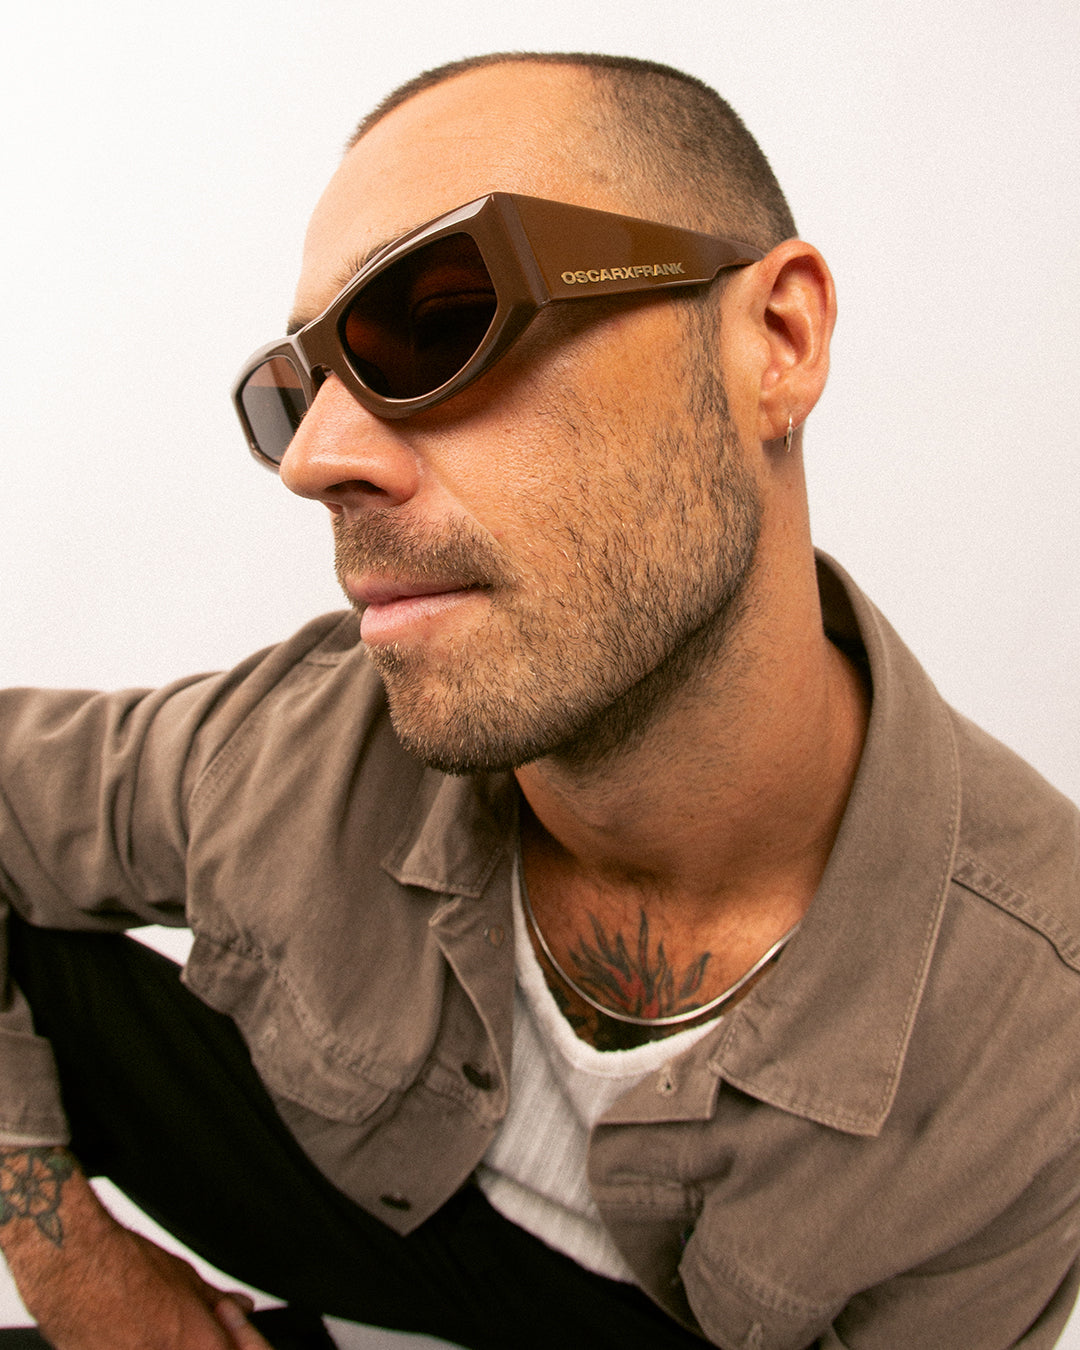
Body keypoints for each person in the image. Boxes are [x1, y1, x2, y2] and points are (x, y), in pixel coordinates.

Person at [1, 50, 1078, 1350]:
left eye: (442, 321)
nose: (314, 459)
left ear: (777, 341)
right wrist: (71, 1260)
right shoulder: (295, 745)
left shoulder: (1040, 1035)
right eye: (291, 396)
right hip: (355, 1226)